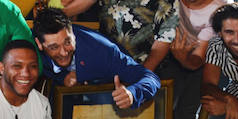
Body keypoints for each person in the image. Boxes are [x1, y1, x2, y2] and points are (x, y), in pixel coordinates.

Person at [32, 8, 160, 108]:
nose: (64, 52)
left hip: (108, 99)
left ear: (73, 35)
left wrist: (133, 93)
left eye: (67, 42)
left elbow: (151, 78)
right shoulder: (29, 50)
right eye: (54, 47)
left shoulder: (102, 51)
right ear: (39, 44)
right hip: (60, 98)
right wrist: (62, 77)